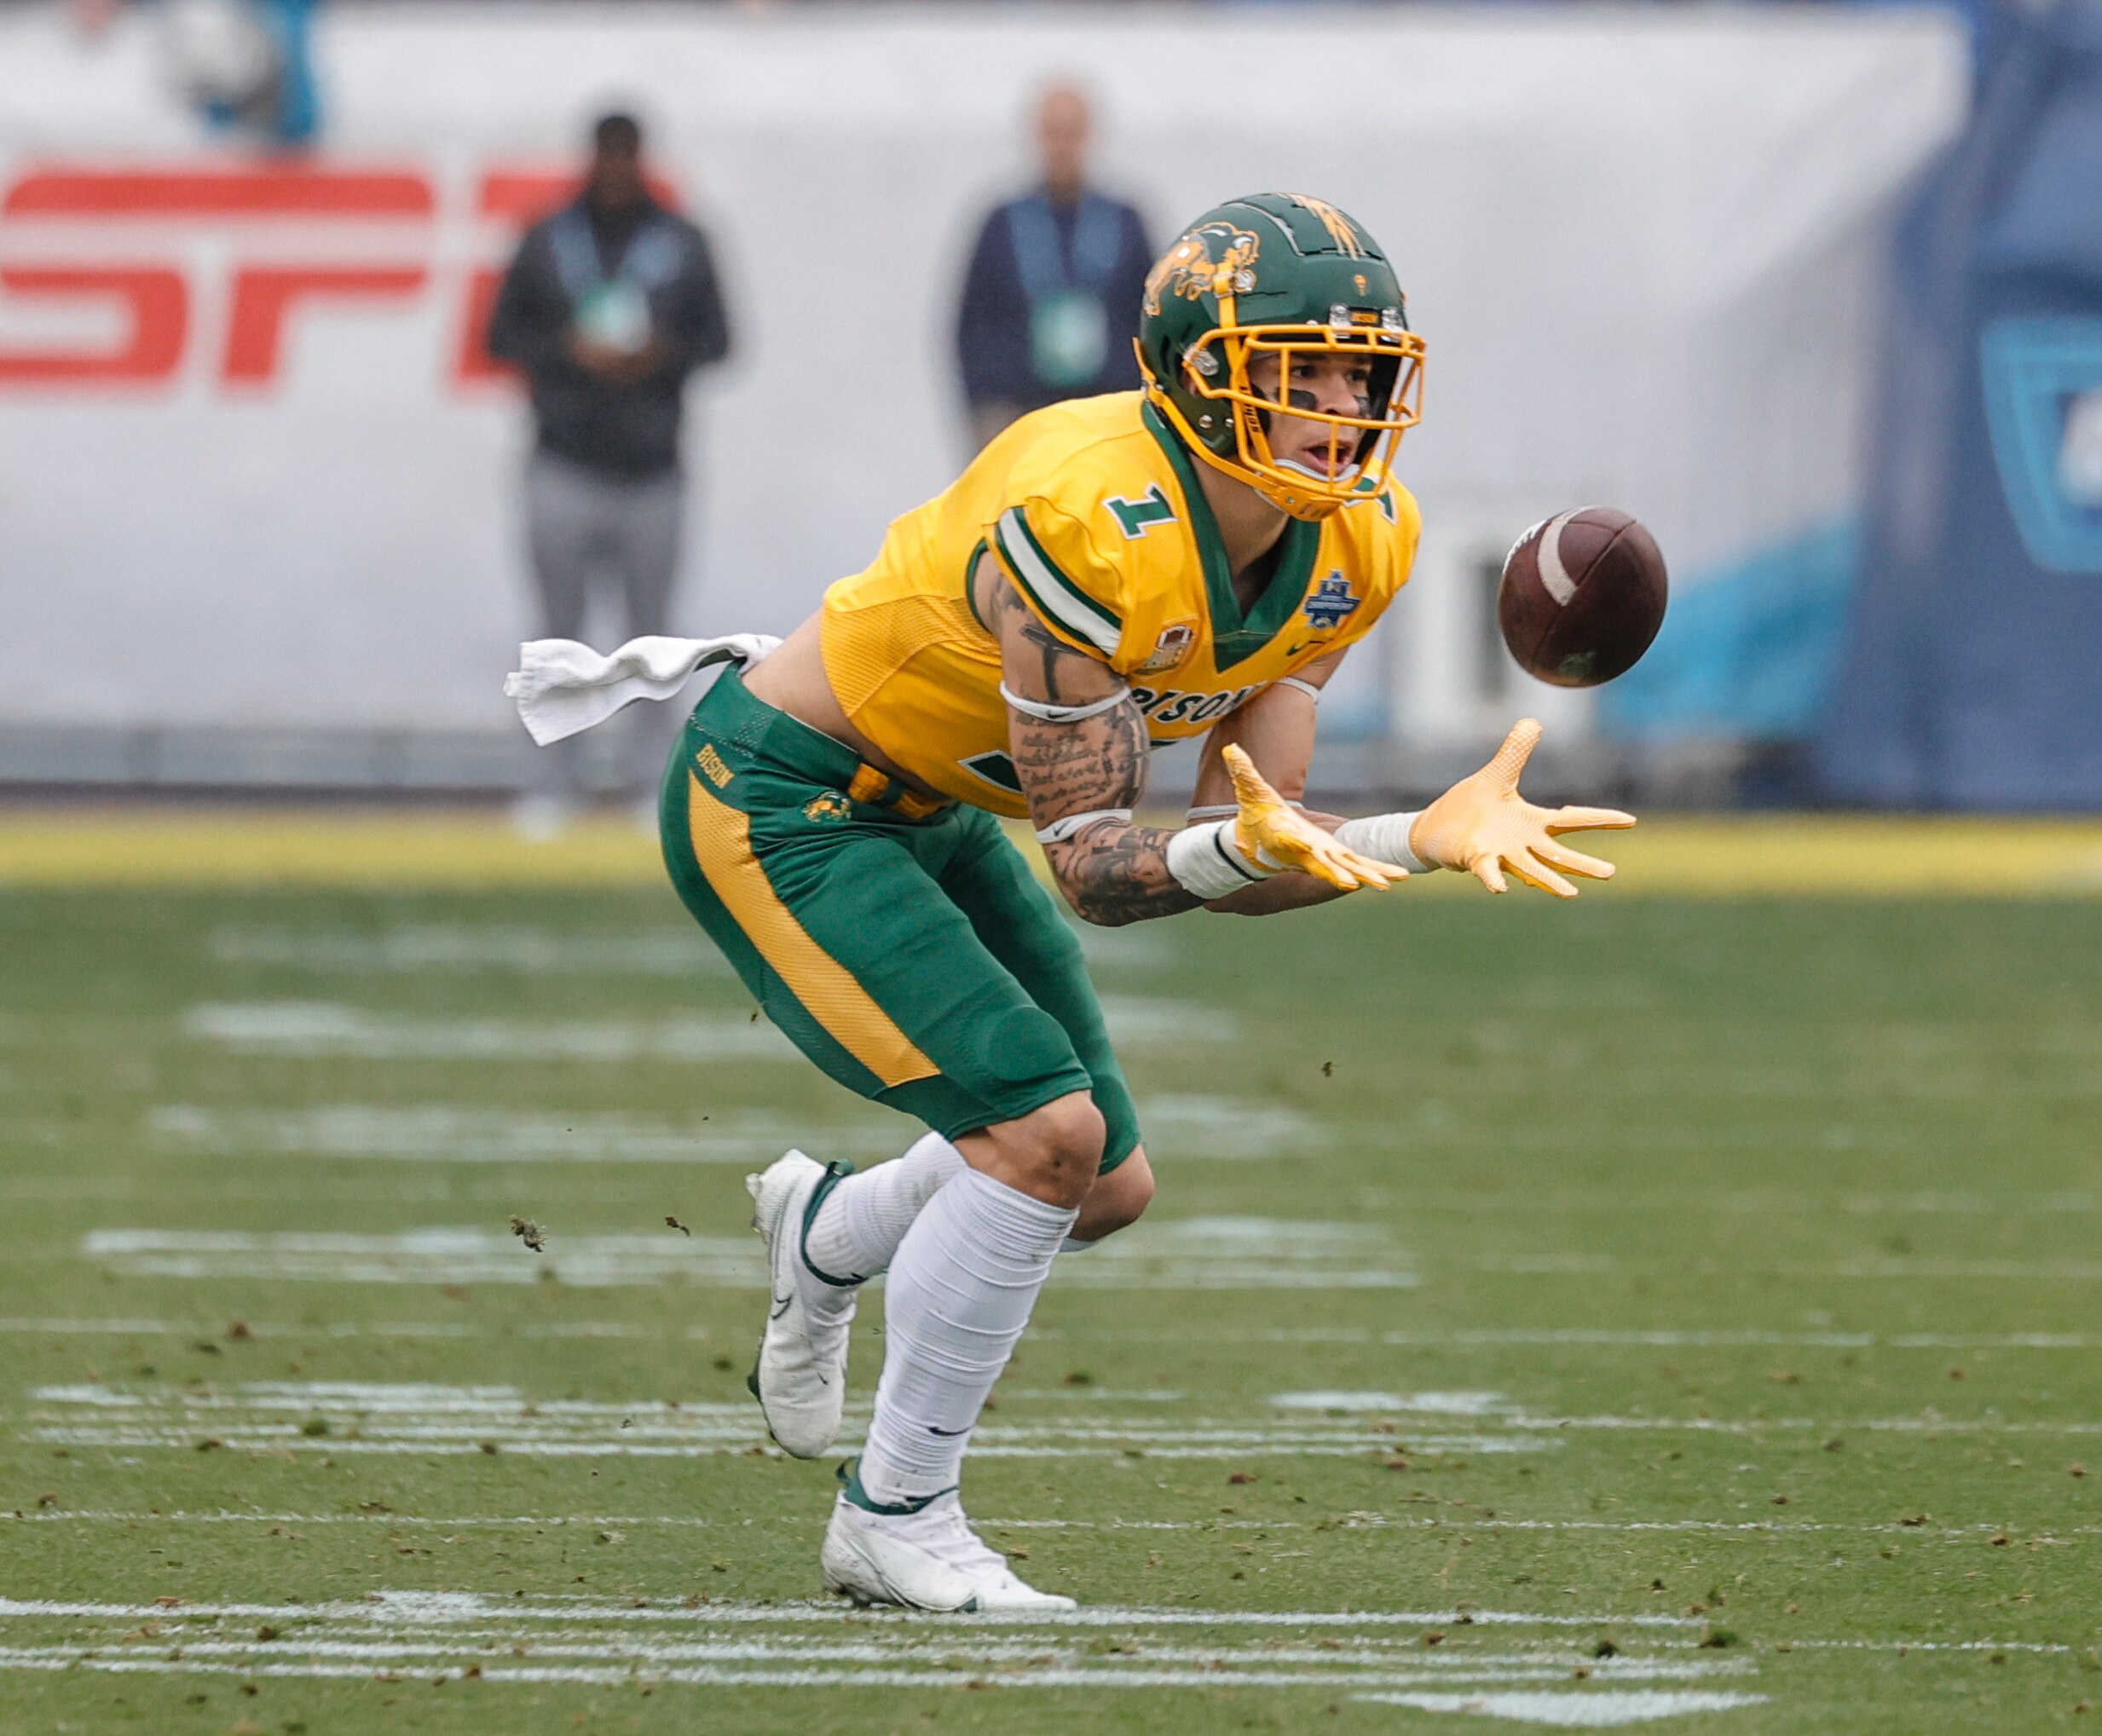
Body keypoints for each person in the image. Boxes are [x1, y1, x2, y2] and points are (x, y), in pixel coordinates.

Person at [627, 194, 1630, 1611]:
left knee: (1103, 1185)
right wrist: (1376, 834)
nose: (1344, 410)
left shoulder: (1355, 541)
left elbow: (1243, 847)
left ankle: (826, 1232)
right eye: (1304, 369)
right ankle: (895, 1512)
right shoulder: (1087, 513)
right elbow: (1098, 872)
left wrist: (1419, 839)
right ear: (1200, 372)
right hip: (787, 799)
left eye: (1362, 375)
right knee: (1046, 1135)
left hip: (935, 807)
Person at [487, 112, 732, 833]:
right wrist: (568, 350)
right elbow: (502, 334)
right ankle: (549, 781)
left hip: (653, 467)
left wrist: (661, 353)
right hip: (563, 459)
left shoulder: (681, 241)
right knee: (556, 635)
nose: (618, 168)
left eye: (629, 156)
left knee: (652, 641)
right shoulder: (548, 238)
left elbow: (721, 338)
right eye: (609, 155)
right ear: (592, 157)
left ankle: (652, 782)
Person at [953, 84, 1157, 453]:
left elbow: (1151, 316)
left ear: (1089, 135)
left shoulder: (1125, 222)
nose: (1062, 146)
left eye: (1071, 132)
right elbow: (971, 323)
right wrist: (987, 411)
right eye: (1052, 133)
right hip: (1020, 415)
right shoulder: (1001, 223)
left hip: (1106, 417)